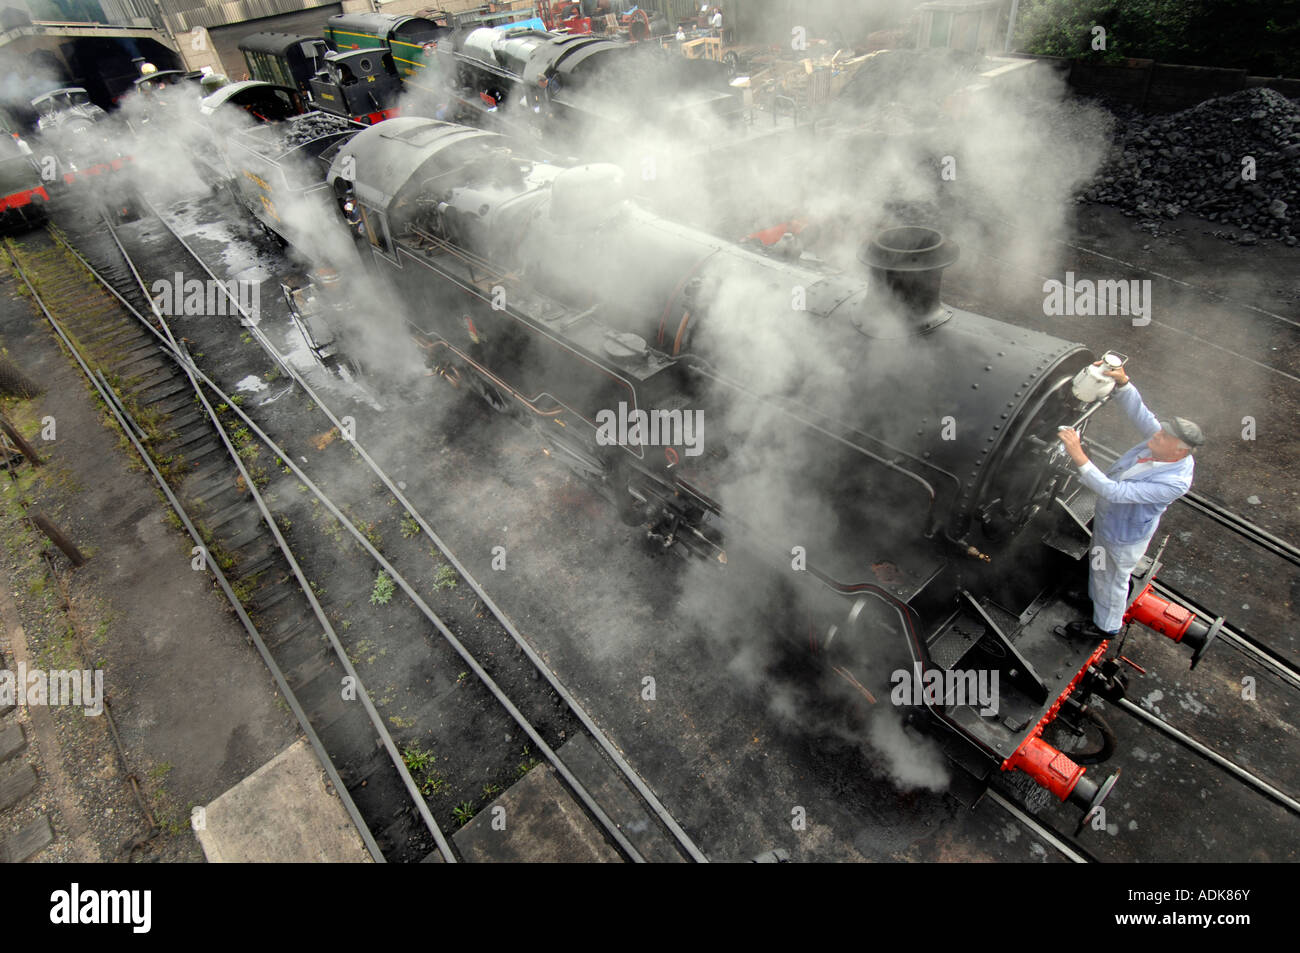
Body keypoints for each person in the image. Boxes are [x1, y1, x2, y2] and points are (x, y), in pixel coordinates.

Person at [1056, 362, 1204, 639]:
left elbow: (1115, 492)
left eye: (1162, 437)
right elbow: (1141, 415)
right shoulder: (1164, 444)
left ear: (1179, 450)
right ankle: (1093, 600)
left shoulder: (1174, 482)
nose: (1155, 435)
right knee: (1100, 569)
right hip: (1110, 521)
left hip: (1123, 536)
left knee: (1113, 581)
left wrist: (1077, 454)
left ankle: (1105, 626)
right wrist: (1123, 384)